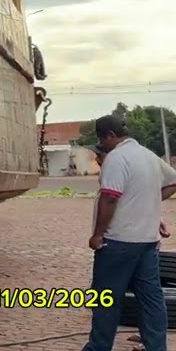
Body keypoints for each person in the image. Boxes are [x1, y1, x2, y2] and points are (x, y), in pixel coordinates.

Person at [83, 115, 176, 351]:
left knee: (105, 299)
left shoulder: (116, 158)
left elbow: (110, 197)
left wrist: (98, 234)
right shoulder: (148, 155)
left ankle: (98, 347)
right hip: (147, 243)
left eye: (102, 140)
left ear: (110, 136)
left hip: (118, 243)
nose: (102, 146)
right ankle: (156, 347)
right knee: (151, 299)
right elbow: (173, 182)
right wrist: (148, 208)